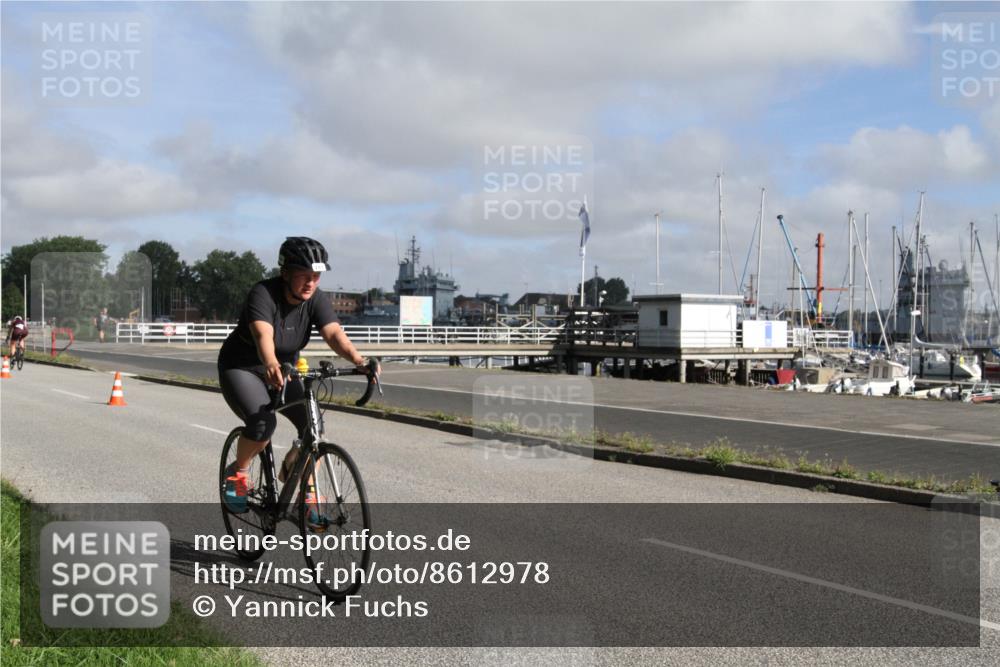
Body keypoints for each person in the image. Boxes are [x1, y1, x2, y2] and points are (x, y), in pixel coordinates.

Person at [217, 236, 379, 515]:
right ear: (285, 273)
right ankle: (238, 472)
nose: (310, 283)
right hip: (243, 367)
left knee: (314, 427)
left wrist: (359, 360)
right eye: (304, 275)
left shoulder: (315, 298)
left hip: (286, 370)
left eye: (316, 276)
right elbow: (263, 334)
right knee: (262, 425)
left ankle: (304, 484)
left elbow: (334, 334)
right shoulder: (263, 294)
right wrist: (270, 362)